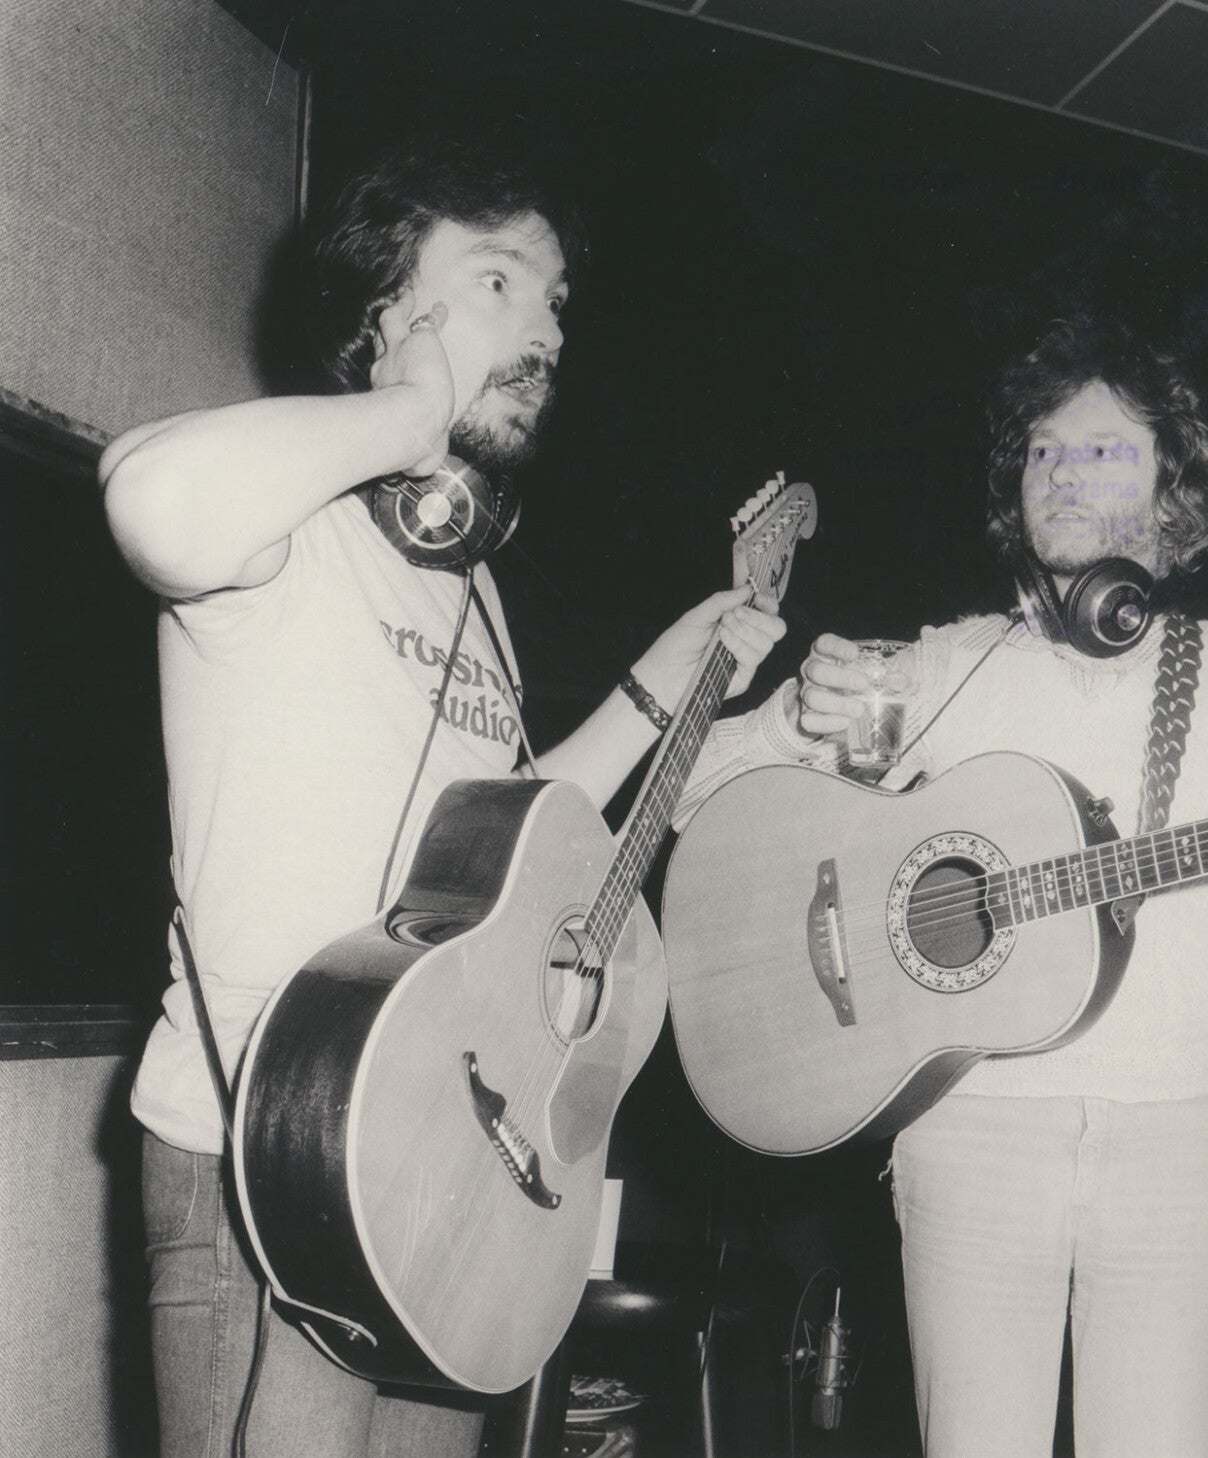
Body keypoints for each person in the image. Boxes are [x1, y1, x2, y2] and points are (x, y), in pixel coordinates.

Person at [99, 133, 785, 1458]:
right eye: (499, 284)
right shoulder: (286, 519)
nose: (546, 329)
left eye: (556, 301)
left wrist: (664, 678)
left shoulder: (469, 586)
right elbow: (154, 500)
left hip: (431, 1142)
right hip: (268, 1143)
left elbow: (497, 836)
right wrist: (410, 413)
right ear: (387, 316)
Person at [677, 316, 1208, 1457]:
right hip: (970, 1133)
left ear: (1174, 494)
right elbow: (698, 804)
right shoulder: (945, 663)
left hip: (1178, 1143)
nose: (1062, 471)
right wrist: (789, 720)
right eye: (1042, 450)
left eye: (1103, 449)